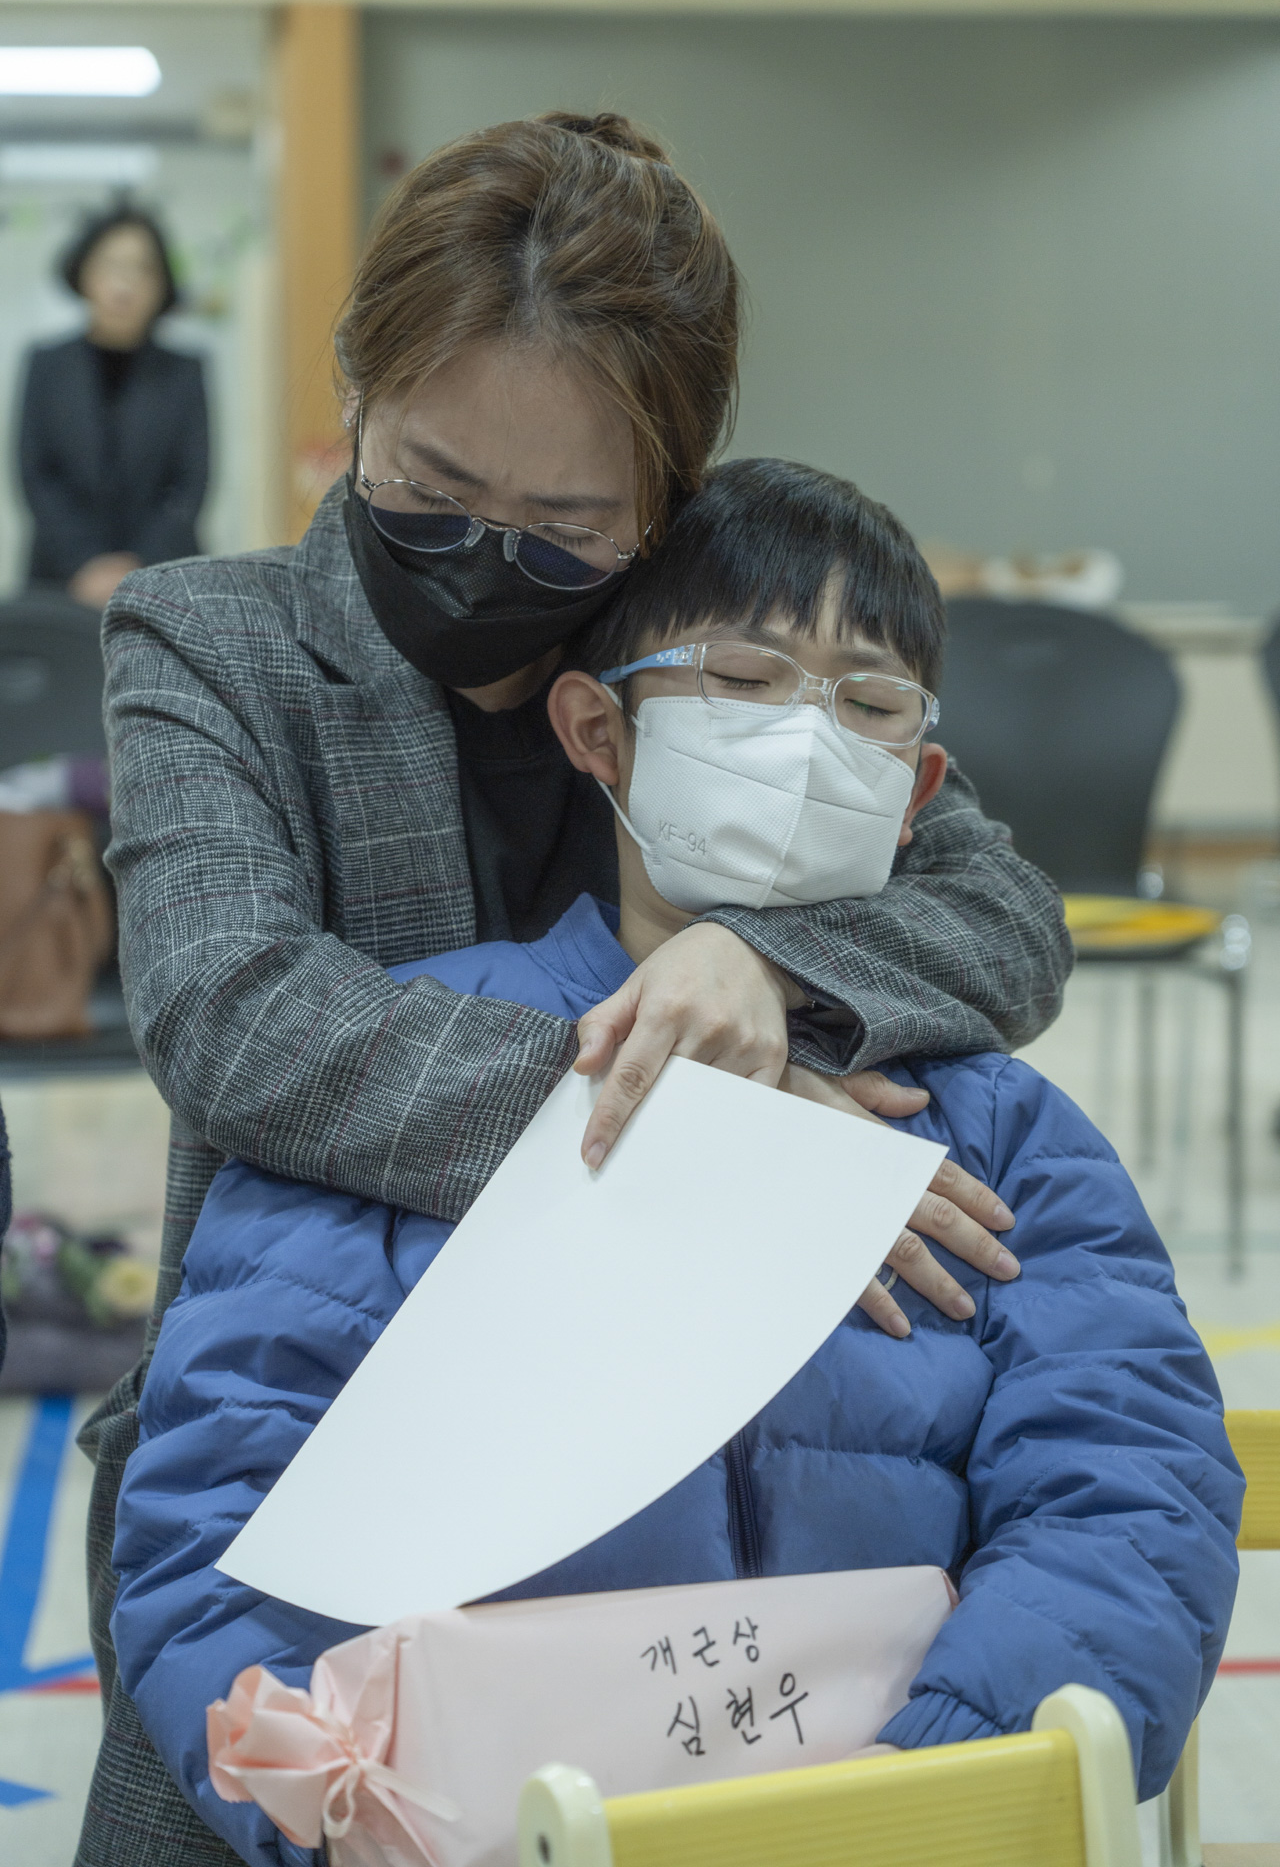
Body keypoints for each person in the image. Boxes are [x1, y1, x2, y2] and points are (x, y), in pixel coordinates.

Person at [76, 114, 1072, 1866]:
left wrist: (760, 957)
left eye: (562, 526)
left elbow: (998, 909)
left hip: (689, 1528)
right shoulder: (213, 643)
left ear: (664, 502)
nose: (486, 559)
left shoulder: (695, 652)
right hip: (303, 1450)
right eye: (430, 490)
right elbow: (235, 1014)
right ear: (355, 389)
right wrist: (686, 1121)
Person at [110, 460, 1240, 1867]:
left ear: (916, 790)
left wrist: (936, 1787)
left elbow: (1129, 1491)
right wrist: (361, 1805)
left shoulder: (998, 1128)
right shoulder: (407, 1074)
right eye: (744, 680)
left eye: (869, 705)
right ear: (600, 730)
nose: (807, 737)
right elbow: (224, 1511)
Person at [18, 205, 208, 605]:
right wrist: (84, 564)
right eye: (111, 265)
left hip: (163, 581)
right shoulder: (46, 364)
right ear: (84, 273)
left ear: (162, 284)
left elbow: (190, 483)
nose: (125, 284)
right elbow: (36, 474)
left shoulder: (185, 372)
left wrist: (135, 569)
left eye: (143, 269)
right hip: (60, 579)